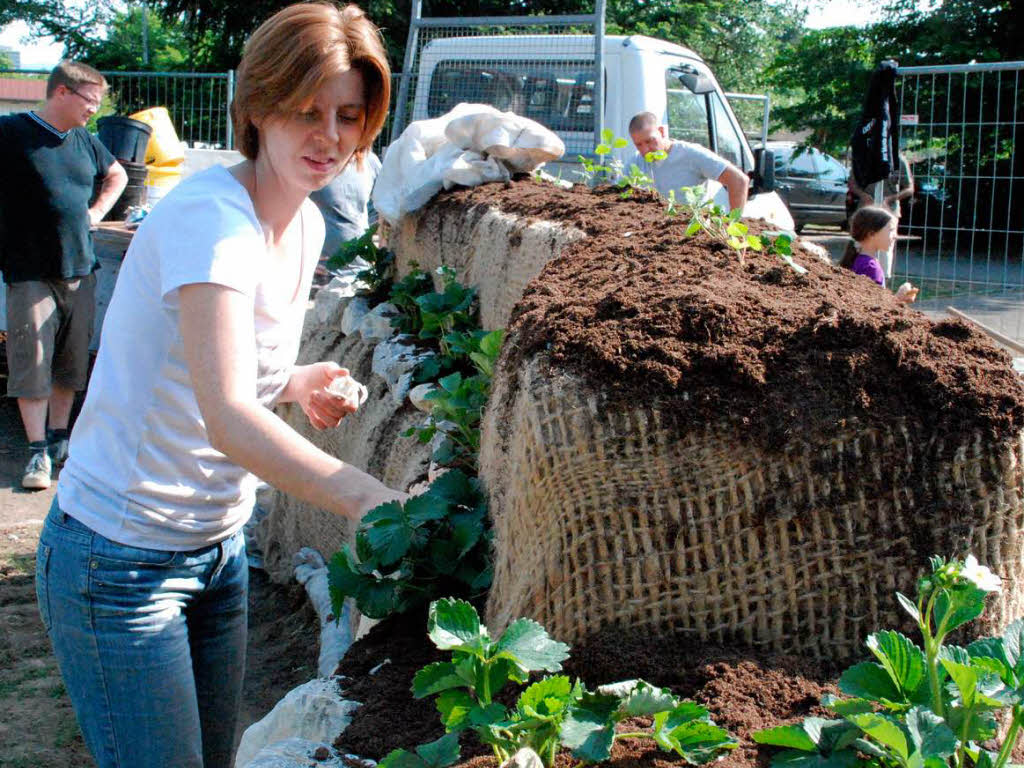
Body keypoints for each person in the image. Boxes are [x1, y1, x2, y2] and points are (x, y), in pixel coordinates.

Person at [35, 4, 403, 767]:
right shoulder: (214, 221)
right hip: (119, 559)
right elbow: (229, 417)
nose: (329, 137)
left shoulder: (300, 223)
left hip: (215, 547)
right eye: (307, 111)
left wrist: (298, 383)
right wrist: (366, 497)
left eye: (348, 115)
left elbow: (232, 372)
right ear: (256, 106)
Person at [0, 60, 128, 490]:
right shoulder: (12, 133)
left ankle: (59, 441)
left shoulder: (85, 142)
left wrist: (95, 213)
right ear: (61, 93)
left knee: (70, 365)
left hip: (80, 268)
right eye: (89, 101)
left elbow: (117, 174)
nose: (94, 109)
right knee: (32, 360)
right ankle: (36, 454)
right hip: (30, 271)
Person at [628, 111, 749, 212]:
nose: (645, 149)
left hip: (694, 230)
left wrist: (732, 226)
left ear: (661, 131)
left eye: (649, 141)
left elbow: (738, 180)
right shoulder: (636, 162)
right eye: (639, 145)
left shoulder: (690, 154)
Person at [840, 205, 918, 303]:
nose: (895, 236)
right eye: (891, 230)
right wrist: (899, 299)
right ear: (871, 234)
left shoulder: (858, 260)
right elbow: (874, 309)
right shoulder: (871, 267)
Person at [848, 151, 914, 218]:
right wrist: (863, 196)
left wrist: (890, 199)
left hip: (890, 211)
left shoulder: (899, 160)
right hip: (866, 209)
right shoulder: (861, 158)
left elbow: (910, 189)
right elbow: (851, 184)